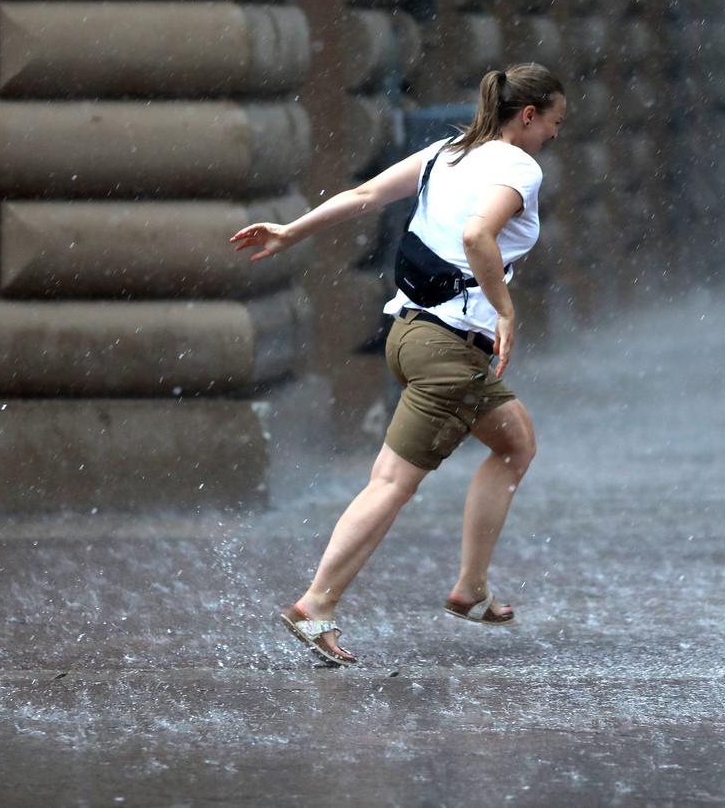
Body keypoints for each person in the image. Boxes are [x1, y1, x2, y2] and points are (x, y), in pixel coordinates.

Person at [231, 63, 567, 666]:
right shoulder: (520, 167)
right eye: (554, 123)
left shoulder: (447, 152)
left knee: (515, 442)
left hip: (408, 333)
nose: (554, 136)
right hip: (447, 351)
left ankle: (471, 589)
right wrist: (506, 311)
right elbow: (476, 236)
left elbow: (363, 196)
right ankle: (315, 604)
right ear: (528, 116)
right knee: (390, 484)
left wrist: (291, 231)